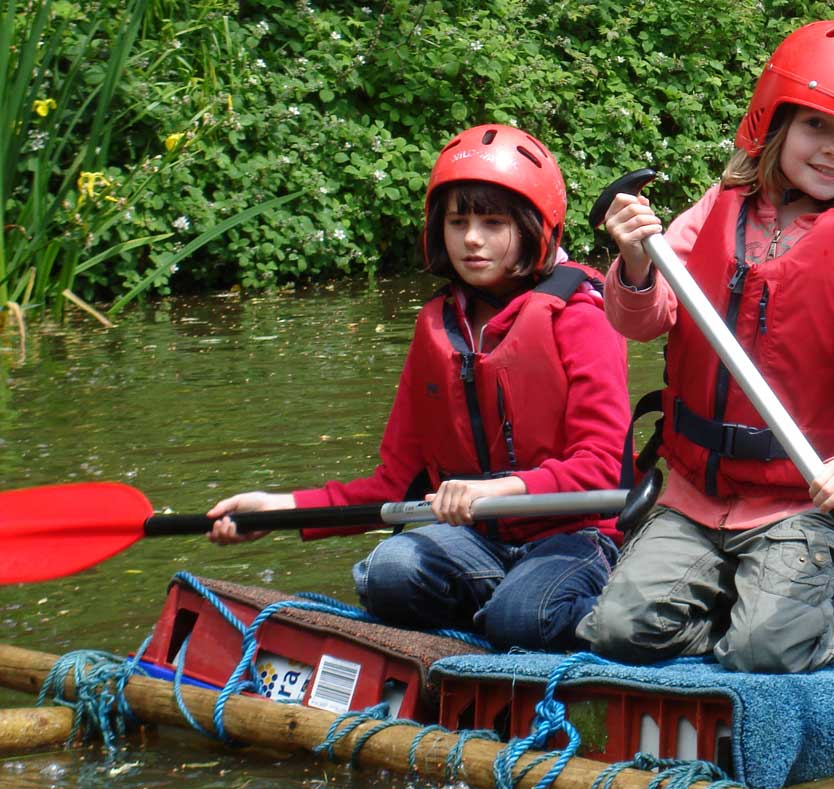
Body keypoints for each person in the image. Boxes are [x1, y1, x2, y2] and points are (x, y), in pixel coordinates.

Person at [579, 21, 834, 672]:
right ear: (774, 124)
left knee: (763, 650)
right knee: (617, 633)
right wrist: (633, 260)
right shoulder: (719, 206)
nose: (833, 151)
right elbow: (645, 319)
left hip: (801, 503)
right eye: (816, 127)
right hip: (692, 494)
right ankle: (740, 602)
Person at [206, 124, 631, 650]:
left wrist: (496, 490)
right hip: (480, 541)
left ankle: (549, 609)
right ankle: (504, 607)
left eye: (493, 222)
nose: (472, 239)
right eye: (458, 222)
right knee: (387, 572)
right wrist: (281, 508)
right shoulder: (438, 325)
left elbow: (600, 466)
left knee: (522, 619)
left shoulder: (581, 314)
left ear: (534, 228)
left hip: (576, 537)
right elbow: (394, 484)